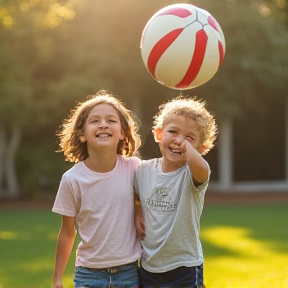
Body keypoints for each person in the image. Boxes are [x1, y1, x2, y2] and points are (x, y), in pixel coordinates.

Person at [52, 90, 142, 288]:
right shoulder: (72, 179)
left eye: (111, 120)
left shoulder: (134, 168)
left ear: (122, 133)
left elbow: (150, 197)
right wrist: (57, 278)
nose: (103, 124)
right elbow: (67, 232)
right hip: (88, 276)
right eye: (95, 121)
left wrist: (139, 208)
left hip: (129, 273)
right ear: (82, 135)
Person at [135, 96, 218, 288]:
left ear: (201, 148)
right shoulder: (143, 170)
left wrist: (189, 149)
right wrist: (136, 209)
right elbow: (131, 193)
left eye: (190, 138)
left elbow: (202, 168)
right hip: (149, 266)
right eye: (173, 131)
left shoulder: (193, 173)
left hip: (185, 267)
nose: (179, 141)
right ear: (158, 134)